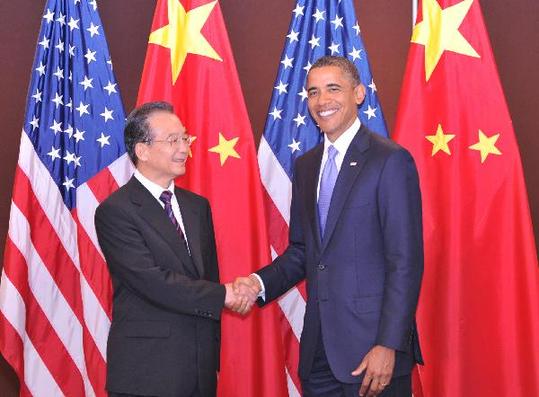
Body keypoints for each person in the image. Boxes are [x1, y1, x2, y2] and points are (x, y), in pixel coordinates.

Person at [234, 56, 424, 397]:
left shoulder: (390, 160)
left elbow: (405, 261)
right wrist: (257, 283)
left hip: (373, 353)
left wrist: (388, 344)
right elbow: (304, 252)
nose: (322, 101)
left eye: (333, 89)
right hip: (319, 353)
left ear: (359, 93)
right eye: (313, 92)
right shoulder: (306, 166)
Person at [95, 101, 254, 397]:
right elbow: (152, 282)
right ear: (142, 151)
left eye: (186, 138)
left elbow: (205, 276)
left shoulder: (197, 206)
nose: (184, 148)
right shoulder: (116, 211)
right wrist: (226, 294)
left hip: (199, 371)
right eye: (173, 140)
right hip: (148, 375)